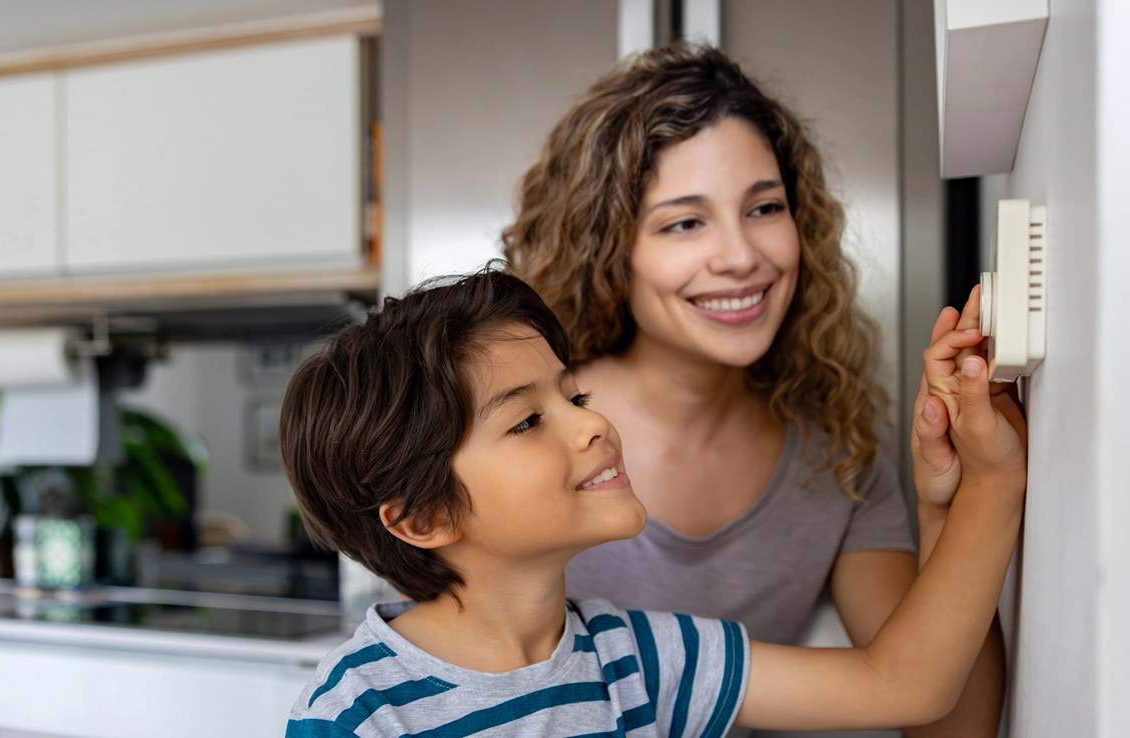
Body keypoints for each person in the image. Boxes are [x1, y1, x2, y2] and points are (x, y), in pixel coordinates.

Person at [281, 268, 1025, 737]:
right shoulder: (360, 711)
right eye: (529, 420)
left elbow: (901, 684)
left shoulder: (634, 655)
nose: (593, 423)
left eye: (574, 395)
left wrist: (991, 482)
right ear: (423, 518)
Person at [502, 44, 1005, 734]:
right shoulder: (522, 442)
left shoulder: (840, 460)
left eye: (765, 208)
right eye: (685, 222)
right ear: (608, 249)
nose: (742, 256)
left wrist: (949, 504)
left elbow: (940, 713)